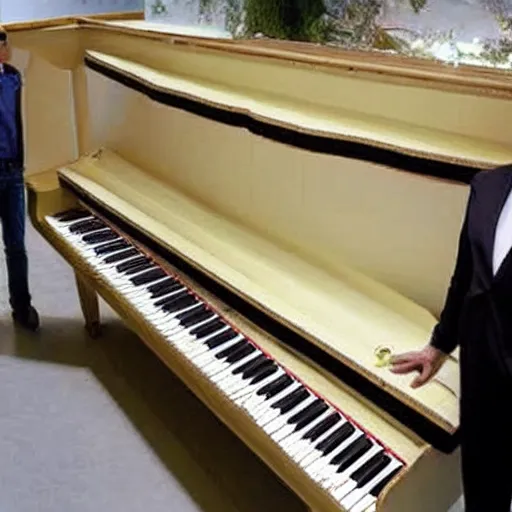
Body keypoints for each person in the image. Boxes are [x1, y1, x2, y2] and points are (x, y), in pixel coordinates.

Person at [390, 166, 512, 512]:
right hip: (482, 372)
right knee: (484, 486)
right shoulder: (487, 185)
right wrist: (440, 345)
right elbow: (466, 275)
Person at [0, 26, 39, 331]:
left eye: (6, 43)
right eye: (3, 44)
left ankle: (22, 306)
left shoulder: (13, 77)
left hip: (13, 174)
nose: (6, 48)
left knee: (16, 246)